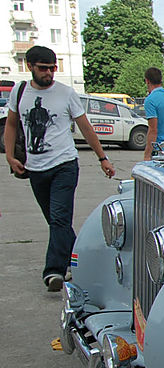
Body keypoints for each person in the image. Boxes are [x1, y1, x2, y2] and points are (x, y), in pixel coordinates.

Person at [4, 46, 115, 291]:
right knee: (57, 223)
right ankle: (81, 260)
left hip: (64, 165)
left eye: (52, 68)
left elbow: (85, 127)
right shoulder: (19, 92)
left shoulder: (66, 93)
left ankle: (53, 271)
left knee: (58, 218)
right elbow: (11, 125)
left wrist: (102, 158)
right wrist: (10, 157)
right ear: (30, 66)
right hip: (35, 168)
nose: (49, 73)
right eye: (43, 68)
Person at [143, 67, 164, 160]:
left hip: (158, 148)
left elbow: (153, 129)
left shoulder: (150, 100)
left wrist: (147, 154)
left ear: (147, 81)